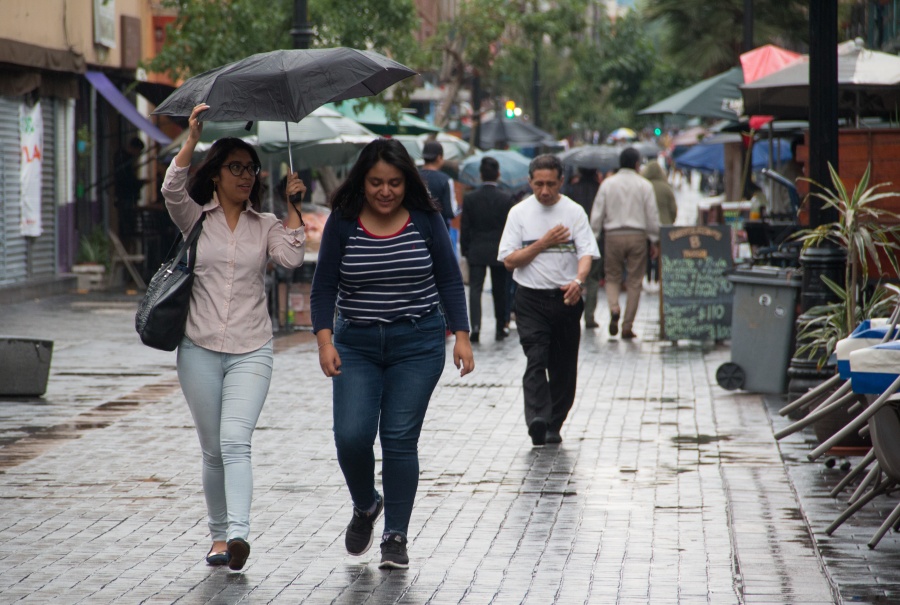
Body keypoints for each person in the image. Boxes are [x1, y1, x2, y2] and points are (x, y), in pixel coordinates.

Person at [310, 138, 474, 570]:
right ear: (362, 181)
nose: (386, 192)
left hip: (417, 343)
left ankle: (395, 535)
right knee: (351, 436)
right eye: (377, 183)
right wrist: (325, 340)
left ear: (408, 183)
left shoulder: (424, 217)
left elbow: (449, 279)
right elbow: (324, 284)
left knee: (400, 438)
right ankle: (366, 505)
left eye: (395, 183)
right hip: (355, 343)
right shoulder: (343, 221)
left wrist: (462, 334)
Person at [162, 104, 307, 571]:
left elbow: (291, 261)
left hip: (251, 349)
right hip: (198, 348)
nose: (245, 176)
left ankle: (240, 533)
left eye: (251, 169)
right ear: (218, 174)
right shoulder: (195, 219)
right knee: (212, 448)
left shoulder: (264, 225)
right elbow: (170, 188)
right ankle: (219, 536)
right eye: (236, 168)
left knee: (234, 440)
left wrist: (294, 209)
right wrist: (191, 138)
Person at [497, 154, 599, 446]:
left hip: (567, 298)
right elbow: (508, 261)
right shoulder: (518, 213)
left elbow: (586, 253)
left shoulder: (575, 212)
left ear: (561, 182)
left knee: (564, 366)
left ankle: (555, 423)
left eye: (551, 184)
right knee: (536, 357)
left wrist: (578, 281)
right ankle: (538, 418)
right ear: (529, 182)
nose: (544, 191)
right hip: (530, 299)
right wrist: (544, 243)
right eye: (538, 184)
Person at [590, 147, 660, 340]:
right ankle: (627, 325)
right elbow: (652, 215)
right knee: (635, 282)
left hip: (612, 235)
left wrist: (594, 235)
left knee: (612, 277)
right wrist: (654, 239)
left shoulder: (607, 184)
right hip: (637, 236)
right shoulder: (644, 185)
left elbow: (597, 213)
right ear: (637, 164)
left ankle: (614, 308)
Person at [460, 156, 515, 342]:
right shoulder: (506, 199)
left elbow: (465, 226)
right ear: (498, 174)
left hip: (476, 248)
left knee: (475, 290)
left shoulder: (470, 198)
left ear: (480, 175)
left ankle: (475, 327)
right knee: (500, 290)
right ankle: (501, 327)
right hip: (499, 250)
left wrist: (465, 249)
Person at [564, 167, 603, 328]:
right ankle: (589, 316)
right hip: (596, 237)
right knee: (593, 279)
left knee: (572, 277)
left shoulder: (572, 190)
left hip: (573, 239)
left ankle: (571, 313)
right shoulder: (599, 188)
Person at [641, 161, 677, 288]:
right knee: (661, 254)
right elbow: (673, 209)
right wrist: (671, 221)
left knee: (647, 252)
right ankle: (658, 278)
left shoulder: (645, 186)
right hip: (665, 226)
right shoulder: (666, 187)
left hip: (646, 226)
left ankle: (648, 277)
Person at [114, 136, 147, 245]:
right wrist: (139, 183)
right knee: (127, 228)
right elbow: (126, 180)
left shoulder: (125, 159)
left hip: (127, 198)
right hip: (126, 199)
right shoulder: (124, 160)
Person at [418, 140, 456, 228]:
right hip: (439, 231)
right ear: (439, 157)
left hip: (417, 230)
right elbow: (451, 212)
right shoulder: (445, 180)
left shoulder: (414, 176)